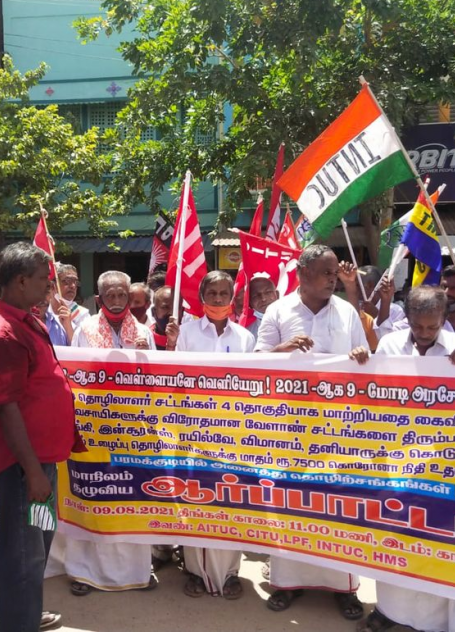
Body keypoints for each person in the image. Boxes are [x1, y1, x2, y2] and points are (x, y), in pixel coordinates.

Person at [255, 244, 368, 620]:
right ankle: (288, 582)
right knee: (290, 503)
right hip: (289, 428)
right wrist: (282, 349)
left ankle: (344, 587)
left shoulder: (347, 310)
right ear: (302, 274)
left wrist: (358, 359)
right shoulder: (278, 310)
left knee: (338, 503)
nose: (333, 278)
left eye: (334, 272)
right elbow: (253, 364)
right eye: (325, 272)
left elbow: (364, 361)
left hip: (337, 430)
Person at [359, 286, 455, 632]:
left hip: (445, 460)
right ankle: (389, 611)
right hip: (399, 455)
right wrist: (360, 359)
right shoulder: (391, 345)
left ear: (443, 319)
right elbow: (373, 386)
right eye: (418, 326)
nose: (424, 333)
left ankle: (441, 621)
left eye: (432, 326)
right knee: (396, 532)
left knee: (439, 538)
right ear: (407, 319)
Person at [0, 242, 76, 632]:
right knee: (21, 552)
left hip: (40, 465)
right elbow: (7, 407)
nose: (49, 287)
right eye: (43, 280)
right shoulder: (3, 335)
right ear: (20, 281)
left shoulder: (25, 319)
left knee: (36, 547)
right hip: (25, 471)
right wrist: (33, 473)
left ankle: (27, 616)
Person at [65, 271, 158, 595]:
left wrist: (148, 357)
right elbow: (77, 377)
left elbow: (156, 381)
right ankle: (84, 572)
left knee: (132, 494)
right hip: (97, 427)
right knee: (94, 495)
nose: (117, 301)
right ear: (99, 299)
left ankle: (136, 571)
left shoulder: (144, 331)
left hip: (133, 429)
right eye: (111, 296)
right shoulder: (85, 331)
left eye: (122, 295)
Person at [176, 271, 255, 599]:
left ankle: (231, 572)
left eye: (225, 293)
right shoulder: (187, 333)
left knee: (230, 502)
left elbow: (252, 384)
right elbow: (177, 380)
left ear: (233, 298)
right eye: (213, 293)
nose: (219, 299)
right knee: (196, 500)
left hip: (233, 435)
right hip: (196, 434)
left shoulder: (244, 338)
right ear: (202, 297)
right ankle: (194, 571)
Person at [57, 263, 91, 328]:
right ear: (55, 285)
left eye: (75, 282)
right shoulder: (45, 310)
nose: (73, 286)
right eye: (68, 281)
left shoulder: (82, 314)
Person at [246, 274, 279, 339]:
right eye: (256, 296)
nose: (263, 298)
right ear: (249, 303)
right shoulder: (247, 334)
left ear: (277, 295)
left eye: (268, 292)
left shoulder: (294, 321)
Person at [150, 284, 179, 350]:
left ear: (182, 312)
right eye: (165, 307)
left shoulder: (188, 339)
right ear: (153, 312)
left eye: (176, 307)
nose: (171, 313)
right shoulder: (145, 338)